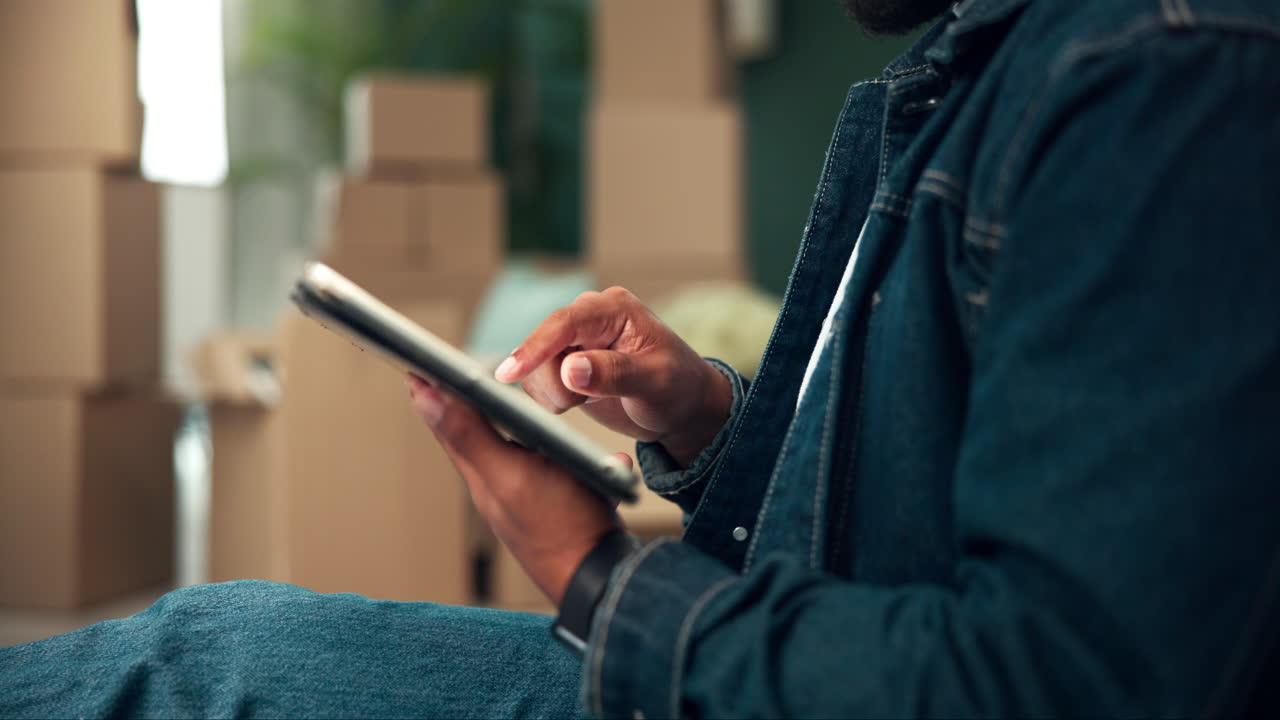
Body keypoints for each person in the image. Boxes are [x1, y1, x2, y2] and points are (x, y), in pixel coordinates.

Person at [4, 0, 1279, 716]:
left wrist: (596, 583)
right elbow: (887, 522)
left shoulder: (1158, 84)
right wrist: (706, 419)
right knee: (204, 644)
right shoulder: (968, 77)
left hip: (717, 680)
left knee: (191, 672)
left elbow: (1056, 688)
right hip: (743, 674)